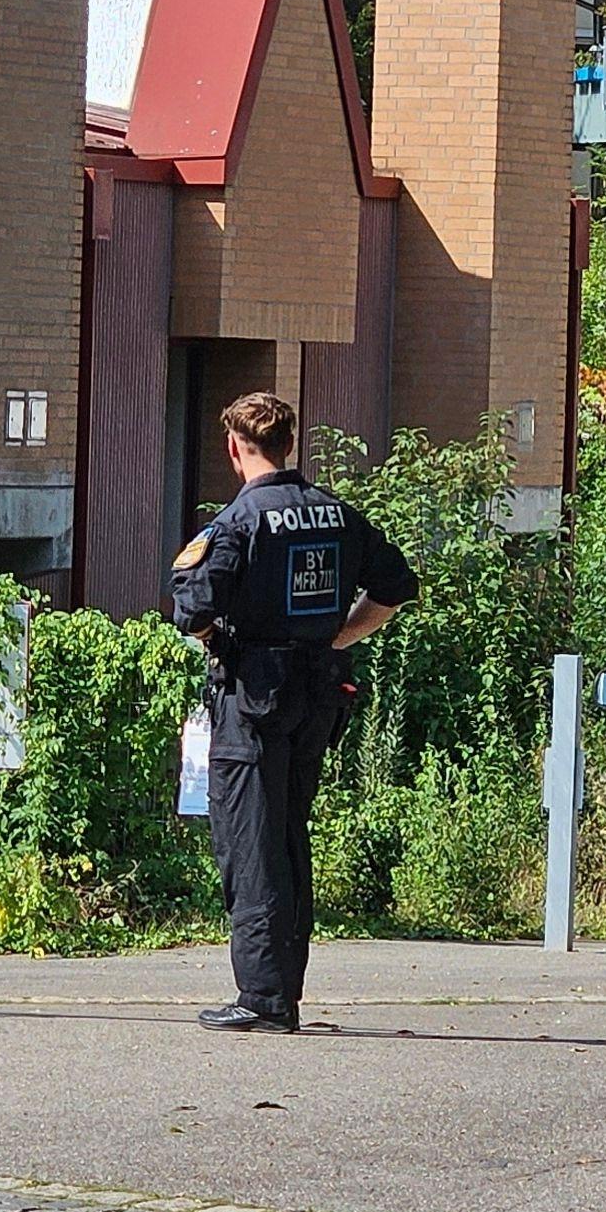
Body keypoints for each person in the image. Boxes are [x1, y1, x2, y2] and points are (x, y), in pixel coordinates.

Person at [166, 391, 416, 1035]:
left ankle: (264, 999)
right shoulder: (336, 515)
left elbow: (191, 610)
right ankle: (285, 988)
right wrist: (337, 638)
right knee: (286, 839)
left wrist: (222, 644)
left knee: (250, 847)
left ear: (234, 448)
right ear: (288, 446)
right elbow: (395, 586)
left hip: (253, 700)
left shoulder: (238, 523)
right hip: (317, 696)